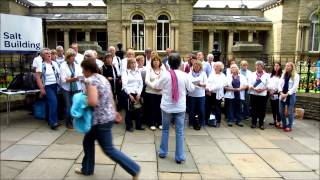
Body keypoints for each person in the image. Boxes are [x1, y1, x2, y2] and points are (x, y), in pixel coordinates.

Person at [76, 57, 140, 179]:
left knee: (108, 149)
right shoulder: (102, 78)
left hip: (100, 121)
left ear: (88, 69)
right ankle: (87, 169)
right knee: (88, 141)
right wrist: (115, 111)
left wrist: (82, 101)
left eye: (83, 70)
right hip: (106, 117)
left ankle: (134, 169)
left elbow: (93, 102)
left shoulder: (90, 81)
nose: (83, 73)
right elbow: (110, 96)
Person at [154, 53, 195, 164]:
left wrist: (159, 79)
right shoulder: (185, 75)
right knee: (180, 132)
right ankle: (179, 156)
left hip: (167, 106)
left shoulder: (165, 75)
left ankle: (163, 152)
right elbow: (191, 89)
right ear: (180, 63)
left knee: (165, 130)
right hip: (180, 107)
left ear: (169, 63)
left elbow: (156, 86)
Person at [35, 48, 60, 130]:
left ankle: (52, 120)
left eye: (49, 53)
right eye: (46, 53)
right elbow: (38, 77)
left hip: (56, 85)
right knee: (53, 103)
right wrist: (42, 89)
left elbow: (59, 75)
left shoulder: (55, 63)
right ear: (42, 55)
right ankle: (53, 123)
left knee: (52, 104)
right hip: (48, 86)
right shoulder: (41, 65)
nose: (49, 54)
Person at [59, 48, 83, 129]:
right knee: (68, 106)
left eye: (74, 56)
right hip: (67, 89)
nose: (73, 58)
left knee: (75, 105)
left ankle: (74, 121)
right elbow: (63, 80)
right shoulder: (63, 66)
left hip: (77, 88)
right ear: (68, 57)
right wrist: (73, 79)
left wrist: (80, 78)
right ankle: (68, 122)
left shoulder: (76, 65)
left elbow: (80, 75)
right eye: (72, 57)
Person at [121, 57, 144, 132]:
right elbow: (124, 85)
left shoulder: (138, 72)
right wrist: (129, 95)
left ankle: (138, 125)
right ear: (129, 64)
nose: (134, 64)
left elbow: (141, 84)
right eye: (132, 63)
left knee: (139, 110)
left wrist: (139, 94)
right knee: (129, 110)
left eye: (134, 63)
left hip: (137, 93)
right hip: (128, 93)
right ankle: (129, 126)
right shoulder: (126, 72)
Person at [278, 62, 300, 132]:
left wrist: (286, 94)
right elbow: (279, 84)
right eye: (286, 66)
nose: (287, 67)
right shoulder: (283, 74)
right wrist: (281, 92)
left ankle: (289, 125)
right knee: (281, 111)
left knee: (290, 112)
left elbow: (295, 87)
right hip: (282, 94)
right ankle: (284, 124)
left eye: (288, 66)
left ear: (292, 67)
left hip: (291, 95)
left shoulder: (296, 75)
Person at [144, 55, 164, 130]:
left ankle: (160, 123)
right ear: (152, 62)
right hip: (150, 92)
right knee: (152, 108)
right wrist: (154, 87)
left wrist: (161, 88)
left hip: (161, 93)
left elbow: (165, 81)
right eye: (154, 60)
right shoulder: (149, 70)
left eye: (157, 60)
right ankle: (151, 123)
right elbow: (146, 81)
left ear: (159, 62)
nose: (156, 62)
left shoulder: (162, 70)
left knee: (160, 108)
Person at [248, 61, 269, 130]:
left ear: (262, 67)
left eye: (259, 66)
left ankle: (261, 124)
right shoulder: (252, 74)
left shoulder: (266, 75)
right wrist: (254, 88)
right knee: (254, 109)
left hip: (262, 94)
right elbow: (249, 83)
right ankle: (253, 123)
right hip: (253, 93)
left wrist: (263, 89)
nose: (257, 67)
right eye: (256, 65)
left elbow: (269, 85)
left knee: (262, 109)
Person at [206, 62, 226, 128]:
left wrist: (210, 89)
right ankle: (209, 120)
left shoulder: (222, 75)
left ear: (221, 67)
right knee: (208, 107)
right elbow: (208, 82)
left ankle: (218, 121)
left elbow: (219, 85)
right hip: (210, 93)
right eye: (215, 66)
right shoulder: (211, 74)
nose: (216, 67)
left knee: (217, 108)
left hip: (217, 94)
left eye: (218, 66)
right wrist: (208, 89)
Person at [188, 60, 207, 130]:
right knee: (192, 110)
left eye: (198, 65)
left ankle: (201, 123)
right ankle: (191, 123)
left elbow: (206, 84)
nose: (196, 66)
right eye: (195, 65)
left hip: (201, 95)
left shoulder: (203, 73)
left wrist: (200, 84)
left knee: (201, 110)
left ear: (200, 66)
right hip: (192, 94)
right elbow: (188, 83)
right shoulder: (189, 73)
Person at [268, 62, 282, 128]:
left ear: (280, 67)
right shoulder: (270, 75)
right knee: (273, 108)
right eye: (275, 66)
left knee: (278, 108)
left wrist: (275, 91)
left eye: (277, 66)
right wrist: (270, 91)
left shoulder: (281, 76)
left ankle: (278, 121)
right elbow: (268, 83)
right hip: (271, 93)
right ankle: (274, 120)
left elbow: (281, 85)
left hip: (277, 93)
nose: (276, 67)